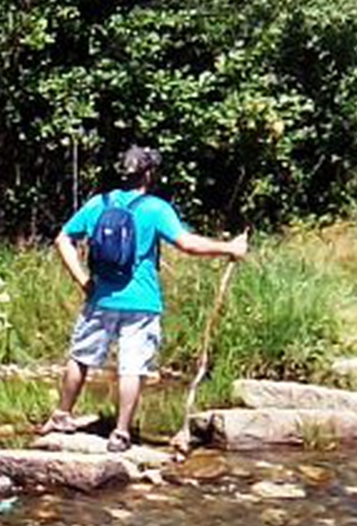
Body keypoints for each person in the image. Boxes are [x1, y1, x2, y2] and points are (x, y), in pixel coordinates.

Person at [43, 146, 248, 452]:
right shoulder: (155, 208)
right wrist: (229, 248)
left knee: (81, 357)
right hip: (142, 302)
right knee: (132, 367)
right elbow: (186, 244)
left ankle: (61, 416)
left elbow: (62, 238)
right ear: (149, 174)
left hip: (100, 298)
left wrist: (83, 281)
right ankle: (121, 433)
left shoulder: (99, 203)